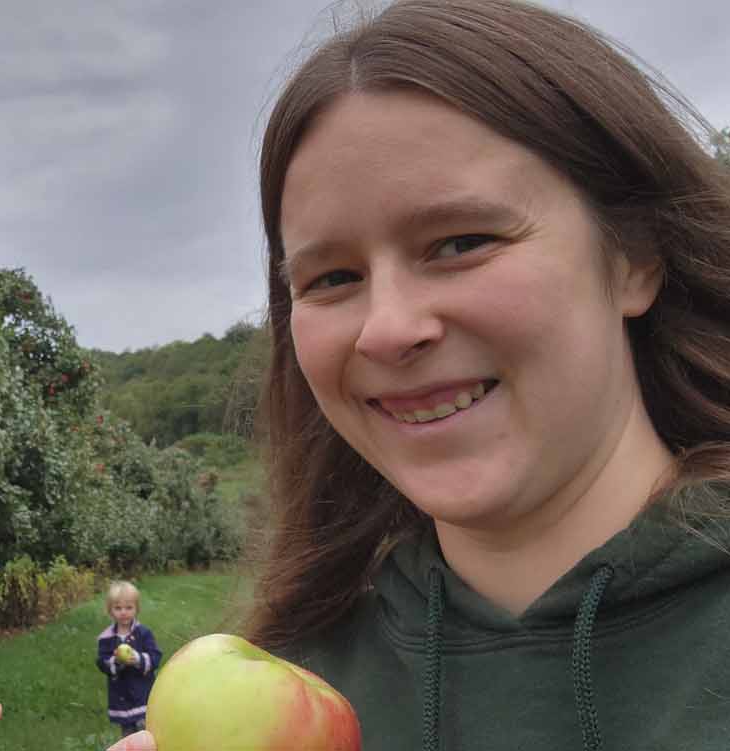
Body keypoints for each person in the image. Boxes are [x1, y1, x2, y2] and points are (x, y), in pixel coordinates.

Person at [113, 0, 730, 749]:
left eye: (461, 242)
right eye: (333, 278)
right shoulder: (307, 680)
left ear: (635, 256)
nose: (388, 328)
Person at [95, 581, 162, 737]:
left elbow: (155, 657)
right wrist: (116, 661)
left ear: (136, 609)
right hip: (121, 698)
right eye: (118, 608)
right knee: (129, 737)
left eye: (128, 607)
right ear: (110, 610)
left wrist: (138, 659)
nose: (123, 612)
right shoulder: (107, 638)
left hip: (143, 694)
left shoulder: (143, 633)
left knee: (148, 734)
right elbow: (102, 662)